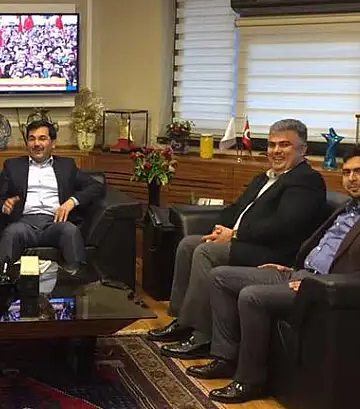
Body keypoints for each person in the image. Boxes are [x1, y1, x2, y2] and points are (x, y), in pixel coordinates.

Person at [186, 146, 360, 404]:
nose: (352, 178)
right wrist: (290, 268)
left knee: (252, 296)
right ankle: (225, 358)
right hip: (297, 272)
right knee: (220, 277)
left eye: (358, 172)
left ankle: (250, 381)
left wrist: (317, 283)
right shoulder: (346, 208)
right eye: (347, 172)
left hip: (322, 287)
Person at [147, 119, 327, 359]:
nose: (276, 151)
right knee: (190, 244)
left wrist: (235, 235)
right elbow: (235, 210)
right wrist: (220, 230)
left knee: (206, 252)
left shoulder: (306, 181)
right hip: (244, 242)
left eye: (284, 145)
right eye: (272, 145)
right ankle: (183, 321)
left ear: (303, 149)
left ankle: (202, 336)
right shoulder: (263, 178)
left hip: (273, 253)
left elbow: (285, 225)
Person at [0, 119, 105, 290]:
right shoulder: (12, 166)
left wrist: (71, 202)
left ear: (53, 143)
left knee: (70, 230)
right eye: (32, 139)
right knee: (12, 232)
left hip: (56, 223)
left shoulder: (66, 166)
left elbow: (96, 187)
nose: (36, 144)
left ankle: (78, 287)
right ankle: (2, 286)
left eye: (42, 138)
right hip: (24, 224)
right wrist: (5, 205)